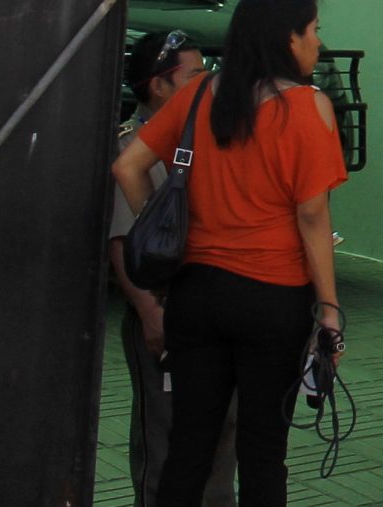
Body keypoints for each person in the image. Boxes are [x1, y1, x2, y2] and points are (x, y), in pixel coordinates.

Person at [113, 0, 348, 507]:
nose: (317, 42)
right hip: (272, 297)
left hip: (195, 291)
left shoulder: (199, 93)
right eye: (313, 30)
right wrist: (329, 308)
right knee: (263, 453)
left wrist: (166, 230)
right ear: (287, 39)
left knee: (189, 445)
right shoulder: (307, 107)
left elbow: (127, 167)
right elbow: (312, 215)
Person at [111, 29, 235, 507]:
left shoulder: (206, 138)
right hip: (164, 314)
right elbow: (123, 241)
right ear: (159, 85)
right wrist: (151, 314)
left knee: (223, 429)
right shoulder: (133, 148)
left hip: (208, 310)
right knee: (166, 432)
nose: (207, 83)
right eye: (195, 74)